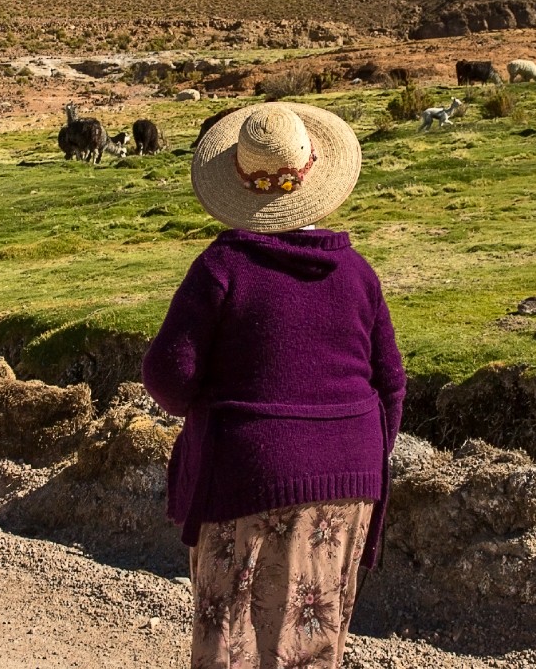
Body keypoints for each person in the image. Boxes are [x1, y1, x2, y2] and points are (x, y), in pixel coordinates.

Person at [141, 101, 404, 669]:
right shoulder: (358, 272)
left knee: (232, 637)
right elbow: (392, 383)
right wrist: (352, 447)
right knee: (313, 634)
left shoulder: (222, 268)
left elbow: (169, 378)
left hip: (250, 475)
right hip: (350, 476)